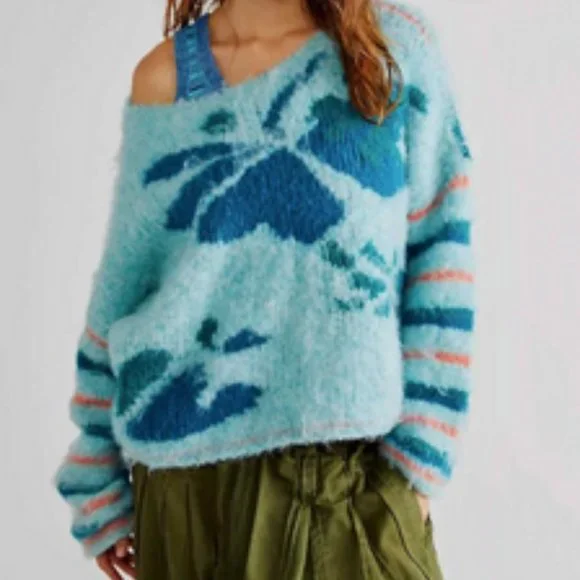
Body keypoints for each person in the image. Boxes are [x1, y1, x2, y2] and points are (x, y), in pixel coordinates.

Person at [52, 0, 475, 578]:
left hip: (345, 488)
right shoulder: (165, 77)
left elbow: (442, 248)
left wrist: (419, 467)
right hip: (185, 499)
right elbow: (125, 287)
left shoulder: (391, 51)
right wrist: (94, 468)